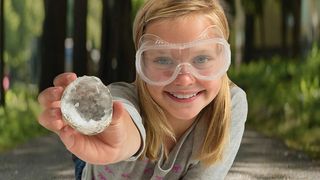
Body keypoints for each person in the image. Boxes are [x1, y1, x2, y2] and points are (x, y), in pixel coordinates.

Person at [37, 0, 248, 179]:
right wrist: (118, 140)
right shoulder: (122, 100)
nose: (184, 79)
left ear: (223, 58)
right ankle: (81, 158)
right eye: (163, 60)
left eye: (201, 58)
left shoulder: (231, 103)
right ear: (141, 64)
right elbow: (125, 124)